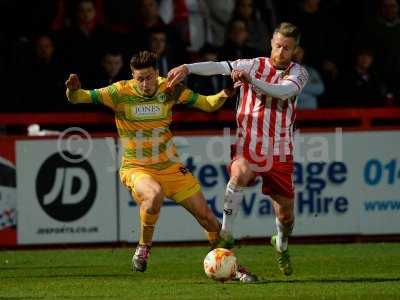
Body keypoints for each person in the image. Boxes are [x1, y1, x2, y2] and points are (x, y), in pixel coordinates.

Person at [65, 50, 256, 282]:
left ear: (157, 73)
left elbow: (207, 104)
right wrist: (73, 90)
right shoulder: (119, 92)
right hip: (136, 168)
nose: (145, 84)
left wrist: (226, 91)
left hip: (171, 168)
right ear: (132, 77)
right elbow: (79, 98)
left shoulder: (170, 88)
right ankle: (144, 247)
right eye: (139, 79)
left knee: (208, 219)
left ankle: (232, 267)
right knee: (154, 195)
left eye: (149, 77)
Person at [167, 22, 309, 276]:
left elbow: (283, 92)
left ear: (295, 50)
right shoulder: (254, 63)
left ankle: (281, 243)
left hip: (279, 152)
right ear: (271, 44)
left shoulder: (298, 73)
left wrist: (250, 80)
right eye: (278, 45)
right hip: (248, 146)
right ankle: (227, 232)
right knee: (239, 172)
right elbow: (219, 67)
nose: (281, 51)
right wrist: (187, 67)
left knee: (286, 217)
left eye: (287, 48)